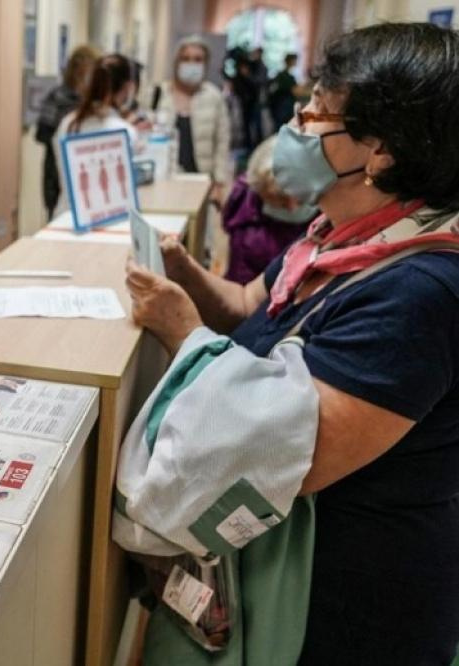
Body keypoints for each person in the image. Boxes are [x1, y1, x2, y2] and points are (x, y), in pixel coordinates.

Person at [126, 23, 459, 663]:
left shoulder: (420, 291)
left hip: (349, 608)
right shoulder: (341, 236)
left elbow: (291, 456)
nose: (294, 126)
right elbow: (247, 306)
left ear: (381, 151)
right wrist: (187, 274)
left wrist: (182, 331)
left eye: (315, 113)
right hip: (288, 582)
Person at [220, 134, 317, 284]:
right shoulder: (245, 218)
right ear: (261, 194)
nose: (292, 207)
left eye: (299, 197)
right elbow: (241, 279)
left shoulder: (326, 208)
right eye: (280, 201)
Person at [52, 53, 139, 216]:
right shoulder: (125, 132)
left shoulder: (68, 124)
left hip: (64, 217)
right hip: (108, 219)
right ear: (128, 88)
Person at [152, 36, 233, 205]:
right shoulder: (158, 94)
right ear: (176, 62)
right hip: (164, 179)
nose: (191, 64)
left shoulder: (214, 97)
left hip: (201, 180)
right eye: (186, 58)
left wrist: (219, 182)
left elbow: (222, 142)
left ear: (205, 64)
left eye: (197, 60)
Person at [35, 45, 101, 215]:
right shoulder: (57, 96)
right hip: (57, 171)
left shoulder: (96, 103)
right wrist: (66, 133)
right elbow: (41, 133)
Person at [268, 52, 299, 128]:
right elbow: (295, 91)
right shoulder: (286, 76)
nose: (296, 62)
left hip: (280, 108)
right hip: (283, 108)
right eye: (295, 60)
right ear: (291, 61)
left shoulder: (281, 75)